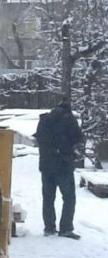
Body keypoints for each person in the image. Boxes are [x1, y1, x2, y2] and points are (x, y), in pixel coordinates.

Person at [34, 102, 84, 239]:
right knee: (69, 198)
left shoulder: (44, 121)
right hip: (63, 165)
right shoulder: (69, 119)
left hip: (46, 165)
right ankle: (66, 228)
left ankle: (49, 228)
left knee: (48, 198)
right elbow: (78, 138)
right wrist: (70, 152)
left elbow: (38, 139)